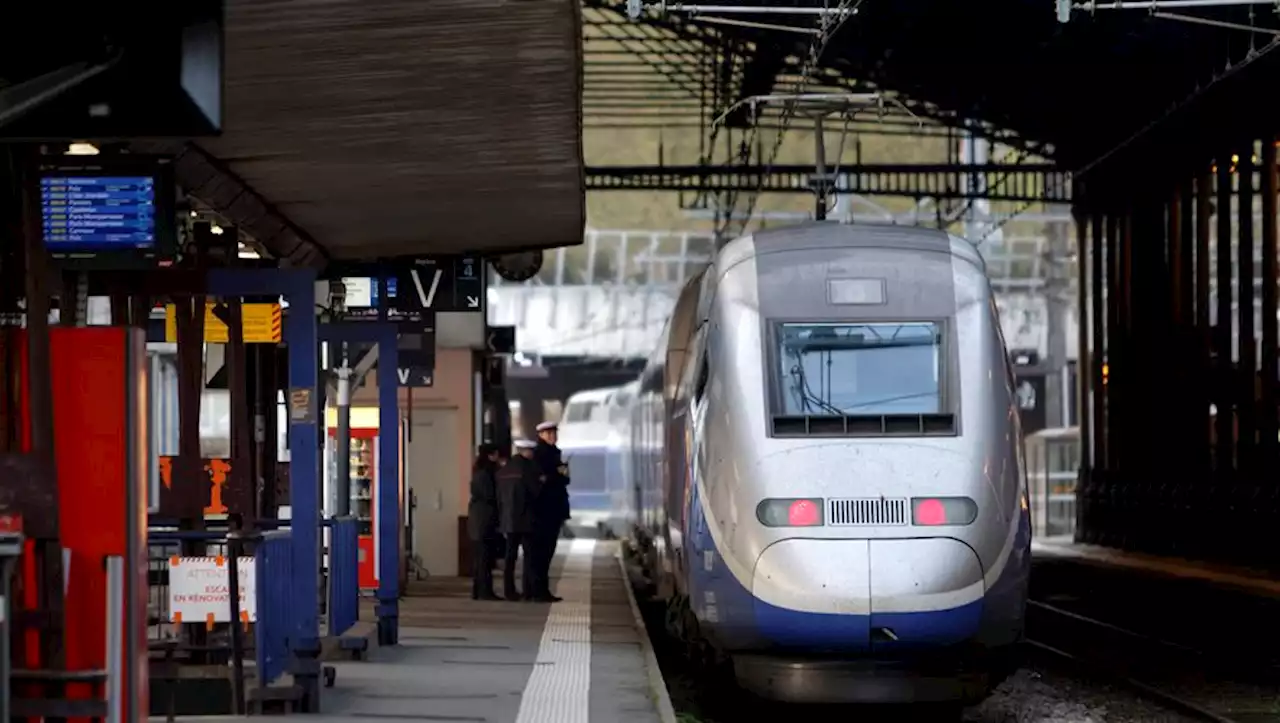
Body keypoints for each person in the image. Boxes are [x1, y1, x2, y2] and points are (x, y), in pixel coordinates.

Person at [497, 439, 546, 601]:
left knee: (510, 558)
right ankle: (528, 591)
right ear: (526, 451)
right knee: (529, 556)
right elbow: (535, 494)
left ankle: (509, 591)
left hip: (508, 520)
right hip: (526, 520)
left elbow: (499, 497)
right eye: (531, 451)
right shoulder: (530, 469)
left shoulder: (504, 470)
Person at [531, 420, 570, 603]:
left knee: (546, 553)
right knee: (542, 553)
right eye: (549, 433)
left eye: (554, 433)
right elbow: (545, 481)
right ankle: (539, 591)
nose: (553, 436)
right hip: (544, 511)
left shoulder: (553, 453)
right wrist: (559, 475)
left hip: (553, 509)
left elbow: (560, 479)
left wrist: (561, 475)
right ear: (540, 435)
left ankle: (540, 590)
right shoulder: (540, 455)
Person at [466, 443, 502, 601]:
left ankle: (478, 590)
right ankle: (485, 591)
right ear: (490, 455)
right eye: (496, 454)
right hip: (485, 521)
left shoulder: (478, 472)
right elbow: (491, 495)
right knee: (485, 558)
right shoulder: (487, 474)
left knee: (480, 558)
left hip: (478, 520)